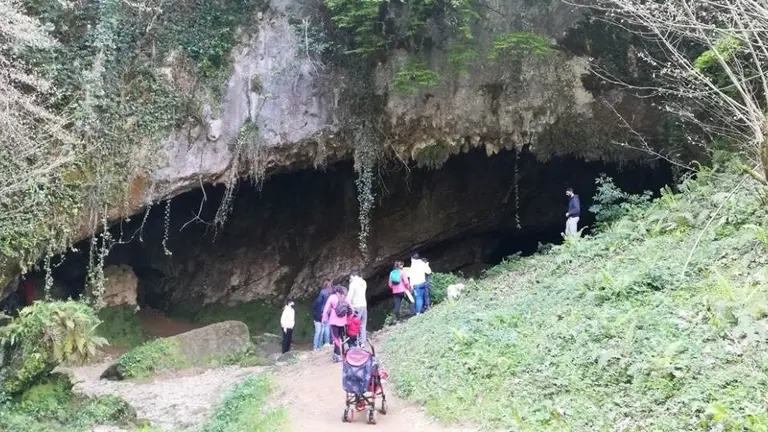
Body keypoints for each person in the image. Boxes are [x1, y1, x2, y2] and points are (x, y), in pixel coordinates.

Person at [323, 285, 349, 363]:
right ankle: (338, 355)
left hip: (334, 321)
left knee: (336, 338)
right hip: (343, 321)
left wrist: (324, 319)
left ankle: (338, 355)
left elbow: (326, 309)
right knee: (342, 338)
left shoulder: (332, 297)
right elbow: (350, 308)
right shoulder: (345, 297)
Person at [347, 270, 368, 347]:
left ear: (353, 276)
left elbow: (349, 297)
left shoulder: (353, 284)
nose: (350, 278)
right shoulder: (364, 282)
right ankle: (362, 342)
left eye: (351, 277)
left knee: (355, 325)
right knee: (363, 324)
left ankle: (356, 342)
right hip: (364, 305)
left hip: (356, 306)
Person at [312, 279, 333, 350]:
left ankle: (319, 346)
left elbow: (319, 302)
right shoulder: (332, 291)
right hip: (330, 311)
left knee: (321, 329)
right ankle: (327, 342)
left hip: (323, 311)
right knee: (328, 327)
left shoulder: (323, 292)